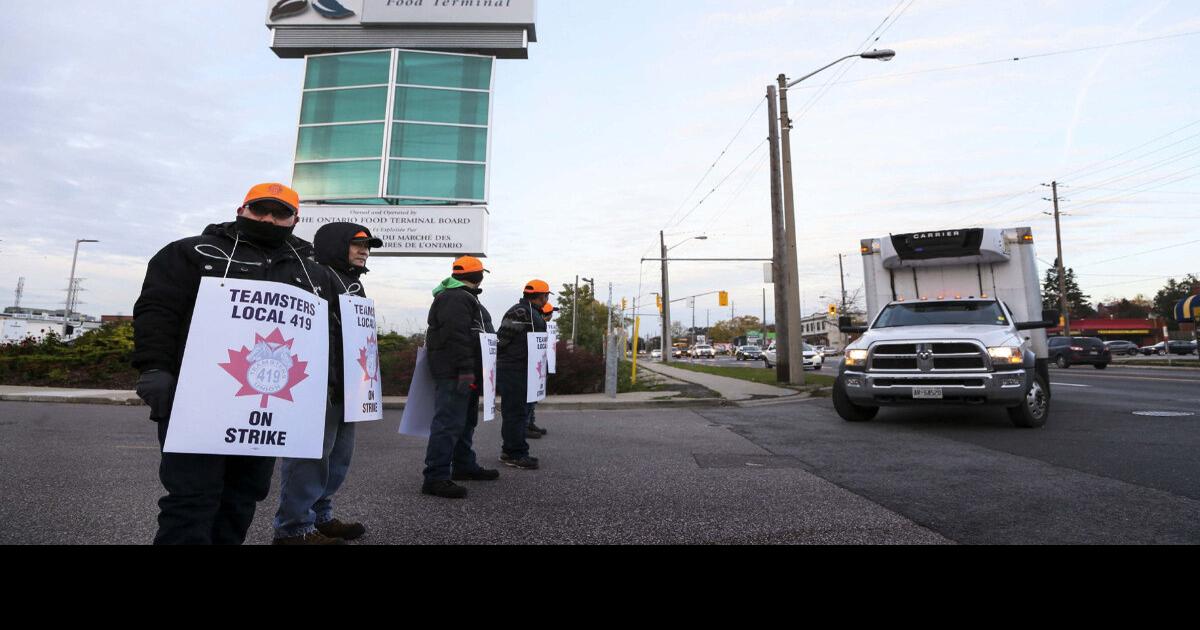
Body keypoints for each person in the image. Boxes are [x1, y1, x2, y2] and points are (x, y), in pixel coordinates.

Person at [132, 183, 334, 545]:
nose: (269, 218)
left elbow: (323, 335)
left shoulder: (313, 273)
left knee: (243, 497)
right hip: (198, 401)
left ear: (295, 219)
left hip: (268, 407)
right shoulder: (190, 252)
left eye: (281, 213)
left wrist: (325, 386)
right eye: (260, 209)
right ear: (241, 210)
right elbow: (157, 311)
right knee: (191, 498)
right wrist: (154, 367)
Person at [271, 223, 379, 545]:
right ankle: (293, 528)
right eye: (357, 244)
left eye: (368, 246)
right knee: (310, 457)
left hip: (349, 385)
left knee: (338, 457)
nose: (364, 250)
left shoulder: (352, 284)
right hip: (323, 384)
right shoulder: (314, 276)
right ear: (336, 245)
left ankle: (320, 516)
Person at [422, 256, 499, 499]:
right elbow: (456, 337)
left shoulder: (461, 296)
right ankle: (435, 477)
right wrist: (466, 370)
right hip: (455, 372)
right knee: (448, 423)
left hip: (465, 370)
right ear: (478, 275)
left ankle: (463, 465)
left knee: (465, 422)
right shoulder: (455, 298)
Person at [496, 280, 552, 469]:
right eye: (547, 295)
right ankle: (514, 453)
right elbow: (501, 340)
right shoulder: (520, 312)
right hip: (514, 371)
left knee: (521, 413)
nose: (547, 298)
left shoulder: (532, 313)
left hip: (526, 372)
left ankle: (514, 450)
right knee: (515, 414)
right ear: (542, 296)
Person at [526, 301, 559, 439]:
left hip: (537, 367)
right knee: (528, 400)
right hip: (531, 368)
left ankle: (530, 423)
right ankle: (526, 426)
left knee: (533, 400)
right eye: (551, 313)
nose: (552, 315)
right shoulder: (536, 324)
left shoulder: (540, 324)